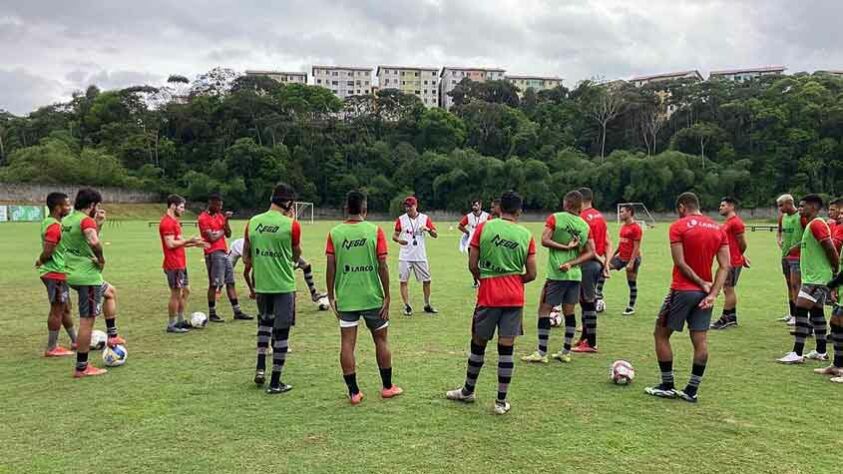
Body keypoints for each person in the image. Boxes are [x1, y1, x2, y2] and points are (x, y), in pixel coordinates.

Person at [447, 190, 537, 415]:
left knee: (478, 345)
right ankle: (500, 402)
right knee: (506, 350)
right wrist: (515, 281)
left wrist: (483, 277)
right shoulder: (526, 235)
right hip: (514, 299)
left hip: (488, 295)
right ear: (519, 211)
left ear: (499, 208)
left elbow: (472, 263)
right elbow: (533, 273)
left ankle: (468, 391)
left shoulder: (484, 228)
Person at [645, 192, 729, 403]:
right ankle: (692, 390)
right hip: (705, 294)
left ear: (682, 207)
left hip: (682, 290)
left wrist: (700, 283)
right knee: (700, 340)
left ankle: (667, 385)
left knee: (661, 334)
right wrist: (712, 293)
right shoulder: (718, 228)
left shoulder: (679, 226)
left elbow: (680, 262)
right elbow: (725, 266)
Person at [326, 190, 403, 405]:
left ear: (345, 209)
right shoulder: (374, 231)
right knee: (381, 340)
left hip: (347, 298)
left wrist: (331, 295)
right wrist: (387, 295)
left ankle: (354, 393)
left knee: (347, 343)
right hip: (372, 297)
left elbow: (330, 266)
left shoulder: (335, 233)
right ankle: (387, 387)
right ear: (365, 209)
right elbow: (383, 265)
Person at [243, 183, 302, 394]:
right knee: (282, 331)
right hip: (283, 284)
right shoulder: (291, 225)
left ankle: (260, 366)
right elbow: (296, 255)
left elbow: (246, 256)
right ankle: (275, 382)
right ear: (288, 203)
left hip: (262, 284)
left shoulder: (253, 222)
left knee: (264, 323)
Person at [522, 190, 593, 364]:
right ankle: (565, 352)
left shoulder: (556, 218)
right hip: (574, 275)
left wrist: (565, 248)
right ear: (580, 206)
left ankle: (541, 352)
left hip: (556, 274)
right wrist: (572, 262)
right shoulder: (585, 226)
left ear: (566, 204)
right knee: (569, 312)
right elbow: (591, 253)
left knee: (544, 310)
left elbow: (544, 240)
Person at [61, 188, 125, 378]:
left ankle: (112, 336)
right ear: (93, 205)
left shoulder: (67, 219)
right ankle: (82, 367)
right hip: (87, 277)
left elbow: (84, 239)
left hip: (72, 272)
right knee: (87, 322)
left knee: (110, 292)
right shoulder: (85, 220)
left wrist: (99, 225)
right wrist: (101, 259)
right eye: (98, 205)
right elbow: (94, 242)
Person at [777, 195, 839, 364]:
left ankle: (797, 353)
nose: (800, 208)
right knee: (817, 312)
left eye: (803, 206)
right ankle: (821, 351)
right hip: (815, 277)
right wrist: (794, 248)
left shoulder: (817, 224)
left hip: (817, 278)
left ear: (813, 207)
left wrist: (835, 269)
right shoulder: (811, 225)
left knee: (801, 308)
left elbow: (830, 247)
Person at [198, 193, 252, 323]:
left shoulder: (220, 216)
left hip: (224, 252)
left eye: (221, 205)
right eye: (218, 205)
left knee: (231, 282)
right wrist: (221, 231)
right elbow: (212, 238)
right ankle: (212, 313)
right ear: (211, 203)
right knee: (214, 283)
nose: (220, 208)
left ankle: (237, 311)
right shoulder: (203, 218)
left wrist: (226, 222)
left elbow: (228, 234)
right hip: (213, 253)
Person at [36, 192, 76, 356]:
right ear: (58, 208)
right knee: (57, 309)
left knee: (65, 307)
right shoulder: (54, 226)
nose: (69, 207)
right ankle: (52, 348)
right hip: (55, 273)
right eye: (66, 205)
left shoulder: (50, 222)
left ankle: (75, 341)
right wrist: (41, 260)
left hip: (57, 272)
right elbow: (48, 251)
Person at [159, 195, 206, 333]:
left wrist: (194, 243)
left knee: (186, 290)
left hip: (181, 263)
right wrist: (189, 241)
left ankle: (180, 320)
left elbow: (180, 241)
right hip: (173, 264)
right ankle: (172, 324)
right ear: (173, 206)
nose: (183, 210)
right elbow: (170, 244)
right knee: (176, 293)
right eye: (181, 207)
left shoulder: (175, 222)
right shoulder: (167, 223)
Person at [574, 187, 611, 351]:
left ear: (580, 200)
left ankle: (591, 342)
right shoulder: (599, 216)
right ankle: (584, 338)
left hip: (588, 264)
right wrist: (606, 263)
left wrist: (598, 258)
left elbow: (589, 247)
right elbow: (608, 242)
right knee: (584, 300)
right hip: (597, 264)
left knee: (588, 302)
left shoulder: (582, 218)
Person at [393, 196, 438, 316]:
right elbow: (394, 235)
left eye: (410, 206)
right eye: (406, 206)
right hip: (405, 256)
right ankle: (407, 306)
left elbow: (435, 234)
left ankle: (427, 304)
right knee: (403, 281)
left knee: (427, 280)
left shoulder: (424, 218)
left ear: (416, 206)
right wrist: (399, 240)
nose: (408, 208)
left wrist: (428, 229)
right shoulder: (401, 219)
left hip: (420, 256)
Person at [711, 197, 750, 329]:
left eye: (723, 205)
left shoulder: (736, 222)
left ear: (731, 206)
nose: (720, 207)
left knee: (728, 289)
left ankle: (726, 318)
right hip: (728, 260)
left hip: (732, 261)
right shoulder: (728, 222)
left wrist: (739, 256)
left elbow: (742, 243)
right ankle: (731, 317)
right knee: (727, 288)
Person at [607, 204, 643, 316]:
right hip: (621, 258)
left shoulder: (636, 228)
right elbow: (621, 243)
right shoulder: (623, 226)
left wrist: (631, 263)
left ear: (629, 212)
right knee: (603, 269)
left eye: (622, 212)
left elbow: (636, 247)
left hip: (632, 259)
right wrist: (611, 256)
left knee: (631, 283)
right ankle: (598, 297)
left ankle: (631, 307)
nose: (620, 214)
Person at [777, 194, 804, 325]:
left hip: (797, 257)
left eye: (781, 205)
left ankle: (799, 315)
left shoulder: (800, 217)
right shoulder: (782, 217)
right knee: (789, 285)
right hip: (785, 256)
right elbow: (779, 231)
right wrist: (779, 240)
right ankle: (792, 313)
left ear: (789, 203)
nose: (779, 208)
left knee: (796, 285)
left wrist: (798, 247)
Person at [458, 199, 491, 287]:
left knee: (484, 263)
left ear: (480, 205)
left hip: (483, 243)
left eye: (476, 205)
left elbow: (492, 226)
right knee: (472, 264)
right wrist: (468, 232)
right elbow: (460, 226)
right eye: (473, 205)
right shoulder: (468, 216)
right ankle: (476, 282)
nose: (474, 207)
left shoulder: (487, 216)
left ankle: (485, 280)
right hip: (471, 243)